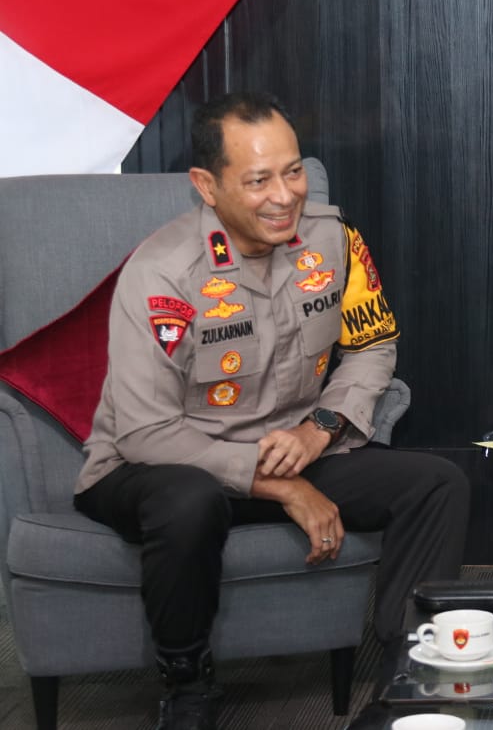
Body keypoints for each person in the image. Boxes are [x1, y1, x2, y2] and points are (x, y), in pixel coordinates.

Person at [73, 92, 470, 729]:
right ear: (207, 185)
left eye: (293, 172)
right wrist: (282, 486)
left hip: (291, 448)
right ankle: (187, 690)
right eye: (259, 180)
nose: (285, 196)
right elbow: (147, 432)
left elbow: (373, 345)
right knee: (189, 500)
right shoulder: (163, 273)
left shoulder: (334, 239)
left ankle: (409, 687)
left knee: (436, 484)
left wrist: (320, 429)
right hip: (158, 468)